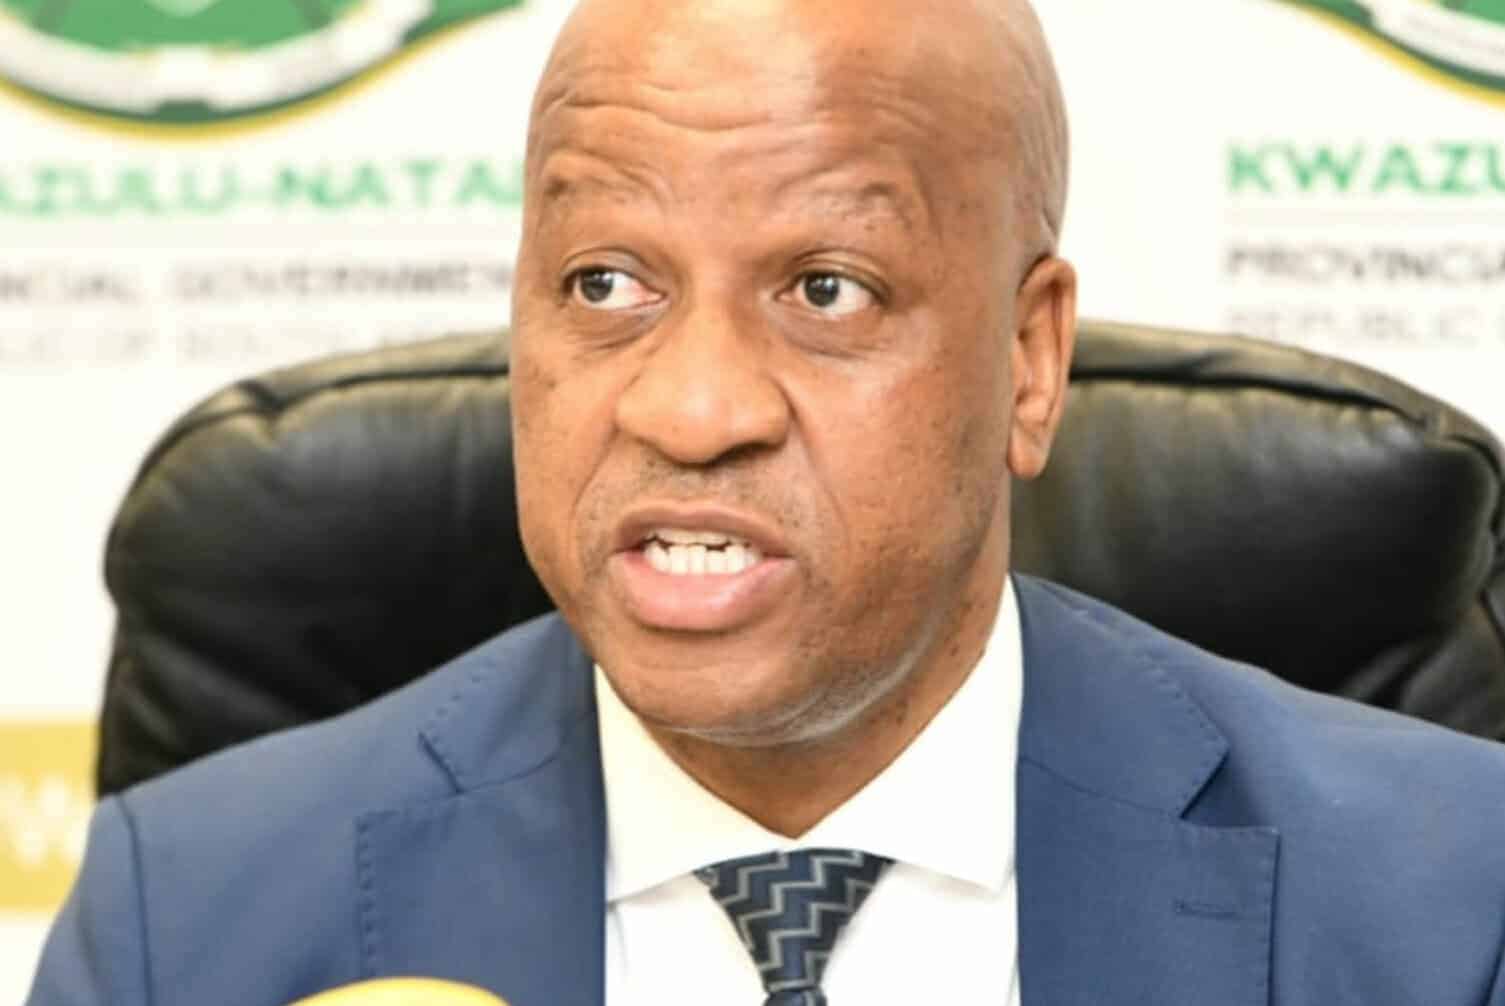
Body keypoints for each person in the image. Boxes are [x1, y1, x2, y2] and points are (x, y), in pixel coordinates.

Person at [26, 0, 1505, 1003]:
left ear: (1027, 358)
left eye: (827, 289)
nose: (690, 410)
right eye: (603, 282)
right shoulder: (188, 922)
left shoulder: (1451, 904)